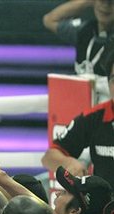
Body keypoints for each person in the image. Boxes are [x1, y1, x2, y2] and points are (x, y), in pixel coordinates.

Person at [41, 41, 114, 188]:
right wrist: (68, 163)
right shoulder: (96, 117)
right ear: (108, 83)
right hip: (104, 207)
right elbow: (49, 157)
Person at [43, 0, 114, 102]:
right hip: (80, 106)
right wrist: (87, 2)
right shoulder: (84, 31)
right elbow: (49, 20)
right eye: (101, 0)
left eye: (111, 2)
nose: (105, 6)